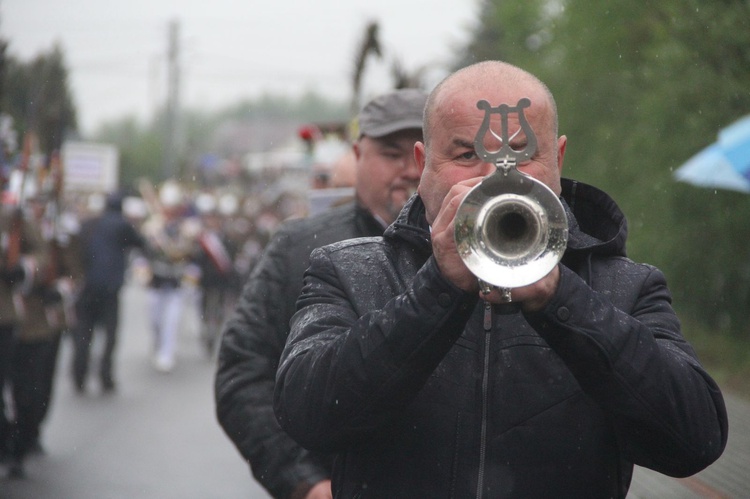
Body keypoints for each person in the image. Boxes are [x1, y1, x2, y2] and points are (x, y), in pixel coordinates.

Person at [273, 61, 728, 498]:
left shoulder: (626, 286)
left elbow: (694, 442)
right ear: (424, 162)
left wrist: (561, 298)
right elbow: (308, 416)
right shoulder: (348, 271)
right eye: (467, 154)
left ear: (558, 158)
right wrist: (438, 290)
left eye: (524, 153)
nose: (497, 175)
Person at [215, 88, 427, 499]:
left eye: (425, 151)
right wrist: (306, 482)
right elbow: (243, 372)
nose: (411, 169)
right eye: (391, 152)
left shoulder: (483, 250)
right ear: (357, 155)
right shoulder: (300, 246)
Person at [72, 191, 144, 392]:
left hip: (87, 287)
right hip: (110, 290)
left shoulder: (89, 224)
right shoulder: (122, 225)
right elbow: (141, 243)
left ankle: (79, 374)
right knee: (110, 335)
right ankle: (105, 376)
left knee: (84, 333)